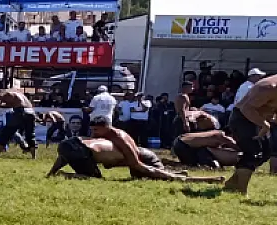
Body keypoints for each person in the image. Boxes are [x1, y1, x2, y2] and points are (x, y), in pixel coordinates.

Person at [50, 116, 223, 183]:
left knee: (95, 178)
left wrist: (174, 176)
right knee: (95, 179)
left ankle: (179, 174)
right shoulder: (104, 137)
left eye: (96, 130)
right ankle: (62, 175)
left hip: (74, 146)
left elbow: (138, 165)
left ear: (107, 127)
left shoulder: (122, 140)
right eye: (93, 130)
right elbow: (64, 153)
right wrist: (51, 172)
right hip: (73, 145)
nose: (93, 133)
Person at [224, 75, 277, 196]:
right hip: (243, 118)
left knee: (266, 152)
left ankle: (232, 183)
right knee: (254, 153)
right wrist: (264, 125)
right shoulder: (268, 87)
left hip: (259, 120)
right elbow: (246, 108)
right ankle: (241, 191)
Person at [0, 85, 40, 159]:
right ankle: (34, 157)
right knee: (30, 134)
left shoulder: (5, 93)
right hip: (30, 112)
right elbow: (14, 103)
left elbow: (4, 100)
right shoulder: (19, 94)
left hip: (20, 112)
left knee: (6, 132)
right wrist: (1, 105)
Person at [171, 130, 240, 169]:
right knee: (196, 164)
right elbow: (233, 144)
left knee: (191, 163)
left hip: (180, 141)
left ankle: (173, 164)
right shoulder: (220, 135)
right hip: (183, 145)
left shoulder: (211, 135)